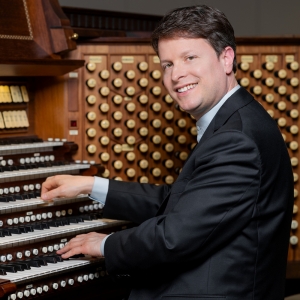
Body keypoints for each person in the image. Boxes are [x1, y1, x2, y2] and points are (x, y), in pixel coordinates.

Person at [41, 5, 294, 300]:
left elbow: (174, 237)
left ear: (226, 59)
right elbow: (183, 205)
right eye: (168, 64)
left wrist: (104, 245)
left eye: (190, 58)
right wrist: (91, 185)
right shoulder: (236, 119)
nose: (176, 75)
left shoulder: (236, 139)